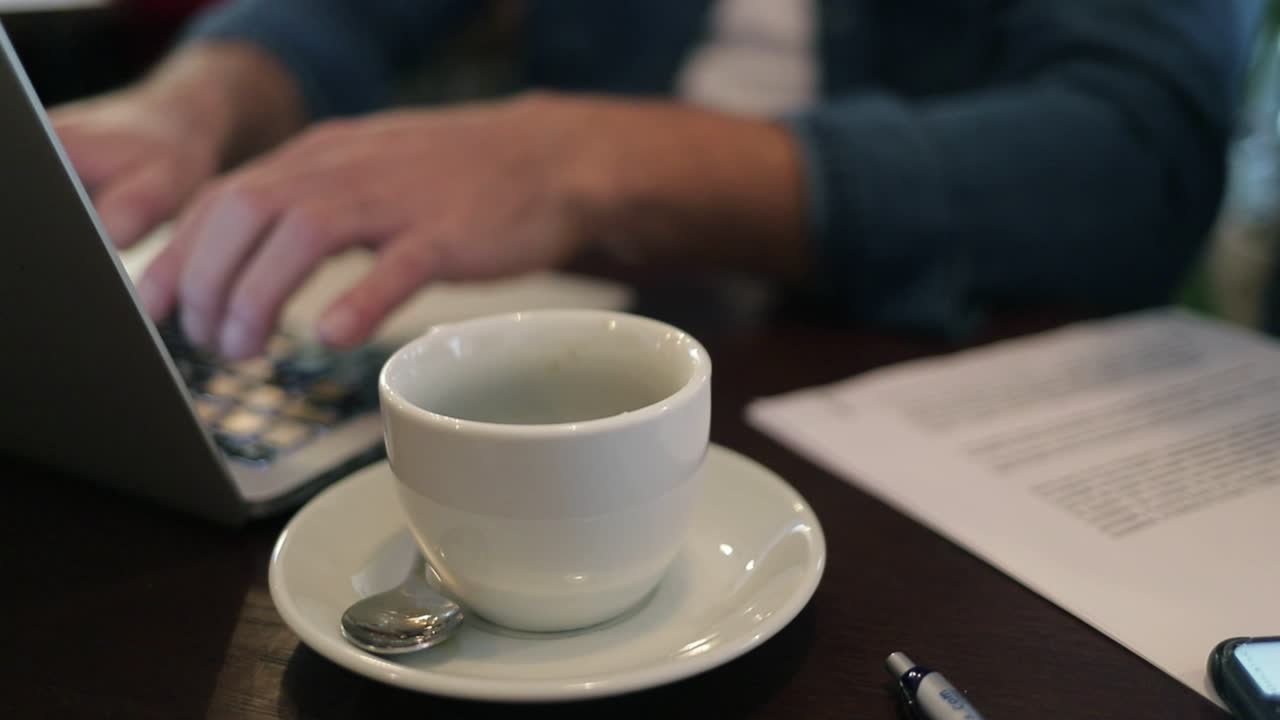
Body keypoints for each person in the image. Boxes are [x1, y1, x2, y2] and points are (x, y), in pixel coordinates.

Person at [50, 0, 1246, 360]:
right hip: (584, 326)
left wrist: (587, 159)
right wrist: (192, 98)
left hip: (949, 368)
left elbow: (1132, 154)